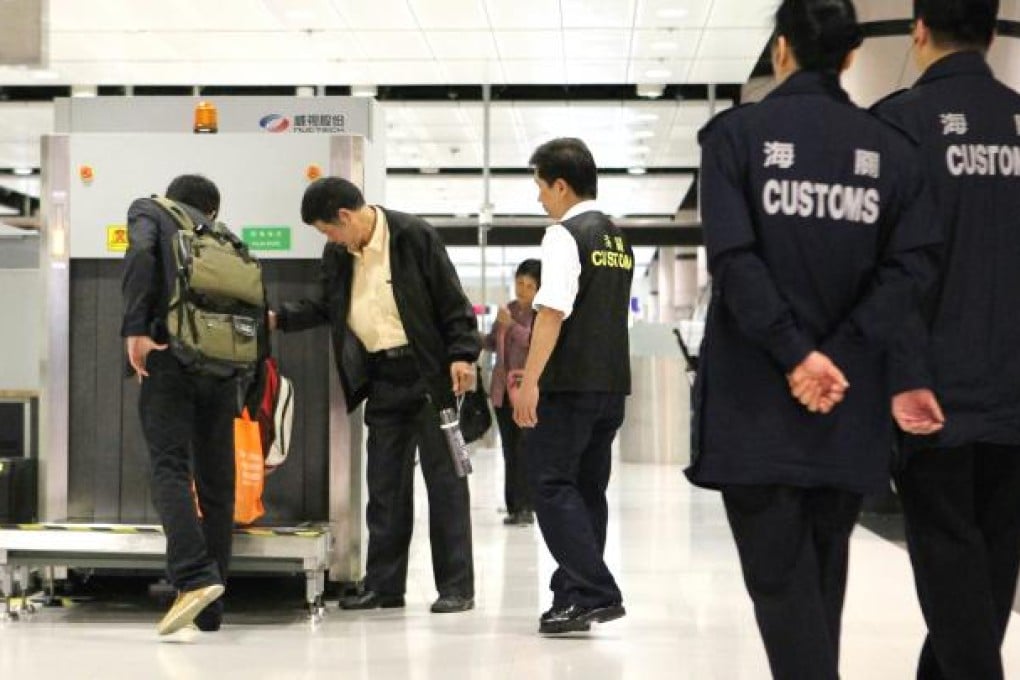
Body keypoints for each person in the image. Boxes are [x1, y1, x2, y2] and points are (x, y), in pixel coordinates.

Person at [684, 1, 942, 677]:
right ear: (852, 57)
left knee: (781, 588)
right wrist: (840, 354)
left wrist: (797, 355)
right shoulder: (896, 155)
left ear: (780, 51)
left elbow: (734, 261)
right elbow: (910, 268)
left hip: (756, 409)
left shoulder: (734, 139)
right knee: (821, 580)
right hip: (847, 408)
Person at [872, 2, 1020, 678]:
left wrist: (897, 374)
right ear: (992, 35)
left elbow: (881, 270)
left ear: (919, 31)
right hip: (1014, 400)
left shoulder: (896, 126)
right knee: (987, 577)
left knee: (955, 581)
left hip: (929, 394)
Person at [270, 177, 479, 614]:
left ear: (345, 217)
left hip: (429, 376)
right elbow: (329, 305)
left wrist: (462, 354)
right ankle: (385, 586)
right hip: (383, 376)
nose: (328, 239)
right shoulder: (339, 254)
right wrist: (279, 319)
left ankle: (456, 586)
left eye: (328, 230)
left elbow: (451, 302)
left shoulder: (413, 236)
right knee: (385, 485)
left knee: (445, 483)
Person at [513, 138, 634, 635]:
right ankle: (573, 597)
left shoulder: (565, 235)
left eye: (541, 187)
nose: (540, 198)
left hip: (569, 384)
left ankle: (596, 589)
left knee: (550, 483)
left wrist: (530, 382)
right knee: (587, 491)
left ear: (560, 185)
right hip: (611, 384)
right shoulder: (617, 237)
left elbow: (552, 312)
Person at [122, 174, 237, 635]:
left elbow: (139, 258)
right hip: (224, 367)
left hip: (170, 357)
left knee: (169, 467)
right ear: (212, 209)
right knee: (217, 483)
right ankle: (210, 609)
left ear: (173, 197)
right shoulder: (226, 236)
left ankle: (194, 578)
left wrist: (135, 329)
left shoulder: (150, 211)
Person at [485, 258, 541, 526]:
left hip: (526, 391)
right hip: (502, 393)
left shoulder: (541, 315)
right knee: (509, 449)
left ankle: (528, 506)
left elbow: (533, 341)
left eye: (530, 285)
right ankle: (513, 506)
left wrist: (510, 326)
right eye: (520, 282)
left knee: (526, 449)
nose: (523, 289)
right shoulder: (507, 310)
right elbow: (492, 343)